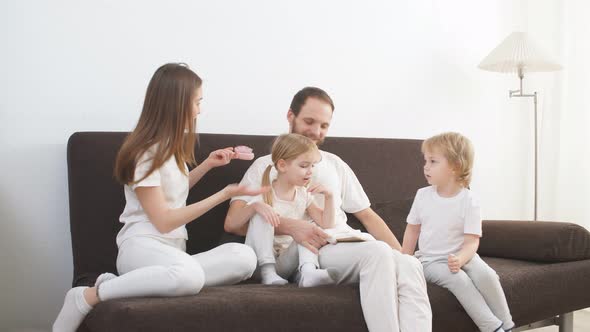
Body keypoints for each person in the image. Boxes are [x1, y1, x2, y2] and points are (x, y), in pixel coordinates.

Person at [53, 63, 265, 332]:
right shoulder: (146, 153)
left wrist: (208, 165)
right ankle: (90, 295)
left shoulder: (170, 149)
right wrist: (224, 194)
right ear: (177, 104)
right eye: (197, 102)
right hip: (141, 247)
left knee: (244, 257)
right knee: (189, 275)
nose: (200, 109)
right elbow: (163, 220)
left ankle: (155, 280)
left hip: (173, 252)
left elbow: (172, 193)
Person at [225, 87, 432, 332]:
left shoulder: (335, 163)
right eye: (309, 121)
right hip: (313, 249)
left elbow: (366, 215)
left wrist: (402, 252)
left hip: (343, 238)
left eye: (324, 125)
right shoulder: (265, 166)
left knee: (409, 265)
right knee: (377, 254)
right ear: (290, 116)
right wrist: (291, 226)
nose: (316, 131)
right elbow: (233, 223)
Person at [401, 132, 514, 332]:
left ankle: (507, 325)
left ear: (455, 166)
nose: (425, 166)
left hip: (465, 256)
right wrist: (405, 261)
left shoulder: (469, 201)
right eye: (425, 160)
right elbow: (412, 230)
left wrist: (461, 258)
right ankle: (492, 327)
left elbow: (471, 242)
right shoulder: (422, 196)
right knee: (458, 280)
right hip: (430, 261)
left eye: (433, 161)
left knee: (487, 275)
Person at [241, 133, 337, 287]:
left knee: (305, 233)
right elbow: (236, 221)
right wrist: (254, 206)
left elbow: (327, 224)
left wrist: (330, 197)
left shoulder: (303, 195)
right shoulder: (264, 192)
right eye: (304, 166)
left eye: (312, 166)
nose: (310, 171)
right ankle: (268, 272)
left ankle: (308, 273)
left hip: (284, 265)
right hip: (260, 265)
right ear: (282, 165)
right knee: (262, 212)